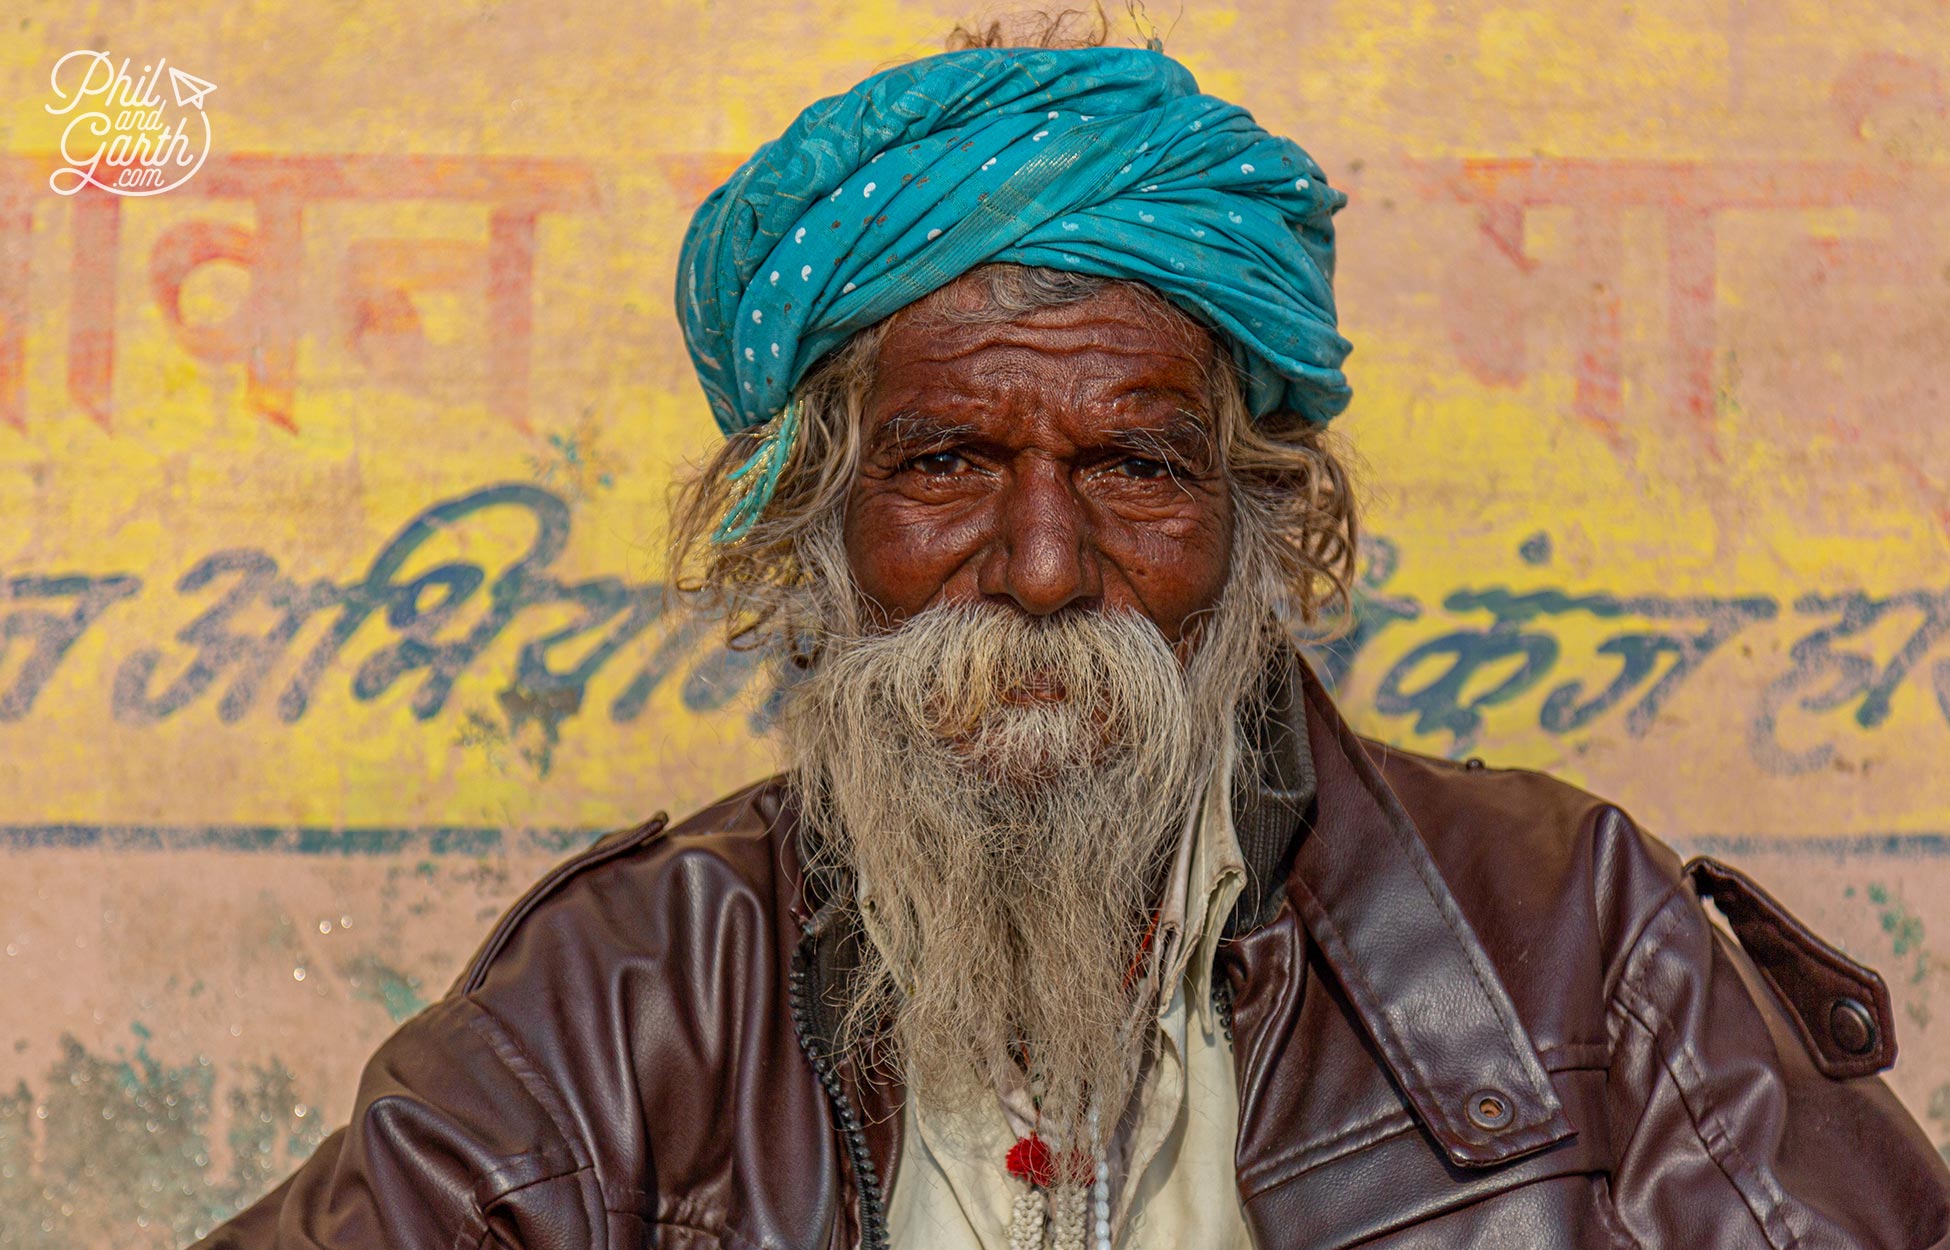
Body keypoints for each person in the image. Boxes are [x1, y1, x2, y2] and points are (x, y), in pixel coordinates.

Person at [192, 27, 1950, 1250]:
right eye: (947, 461)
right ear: (816, 521)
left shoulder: (1561, 935)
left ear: (1263, 522)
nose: (1042, 567)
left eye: (1136, 465)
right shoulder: (625, 999)